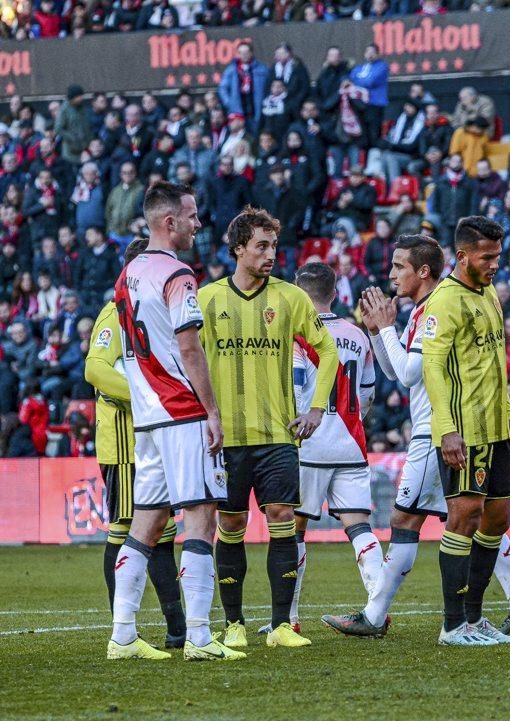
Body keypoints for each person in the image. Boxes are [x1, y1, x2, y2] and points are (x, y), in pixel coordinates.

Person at [323, 234, 510, 639]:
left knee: (415, 519)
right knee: (478, 518)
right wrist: (376, 332)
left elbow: (410, 374)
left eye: (399, 266)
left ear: (423, 271)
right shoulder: (423, 309)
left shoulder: (435, 309)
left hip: (437, 431)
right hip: (446, 428)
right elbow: (394, 371)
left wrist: (387, 328)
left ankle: (377, 616)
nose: (391, 274)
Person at [198, 206, 339, 650]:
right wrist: (201, 416)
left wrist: (317, 409)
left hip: (279, 435)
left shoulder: (290, 298)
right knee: (231, 525)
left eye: (273, 245)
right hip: (227, 439)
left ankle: (281, 626)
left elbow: (328, 351)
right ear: (238, 248)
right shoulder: (207, 300)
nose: (270, 254)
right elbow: (185, 362)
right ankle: (234, 623)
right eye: (261, 245)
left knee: (282, 520)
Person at [107, 182, 237, 661]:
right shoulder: (178, 273)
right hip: (181, 411)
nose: (198, 223)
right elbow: (188, 346)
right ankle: (200, 636)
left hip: (147, 417)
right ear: (169, 222)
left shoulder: (128, 273)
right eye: (192, 215)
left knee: (145, 524)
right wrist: (213, 411)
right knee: (202, 518)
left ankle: (122, 634)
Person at [420, 216, 510, 646]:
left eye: (498, 255)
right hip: (464, 429)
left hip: (495, 426)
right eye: (487, 257)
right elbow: (433, 367)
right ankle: (452, 625)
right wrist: (446, 430)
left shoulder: (489, 294)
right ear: (462, 256)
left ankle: (475, 618)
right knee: (463, 518)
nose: (495, 264)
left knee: (495, 520)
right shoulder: (445, 301)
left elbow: (494, 363)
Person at [85, 236, 185, 649]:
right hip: (125, 445)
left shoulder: (153, 313)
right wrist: (144, 392)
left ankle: (178, 630)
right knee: (127, 527)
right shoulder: (114, 313)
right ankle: (122, 632)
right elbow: (96, 368)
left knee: (161, 531)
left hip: (153, 436)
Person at [276, 262, 378, 634]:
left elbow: (298, 388)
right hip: (350, 444)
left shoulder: (298, 334)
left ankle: (289, 618)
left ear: (298, 295)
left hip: (309, 444)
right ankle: (377, 610)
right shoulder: (357, 334)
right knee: (360, 528)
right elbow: (366, 393)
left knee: (294, 531)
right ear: (334, 293)